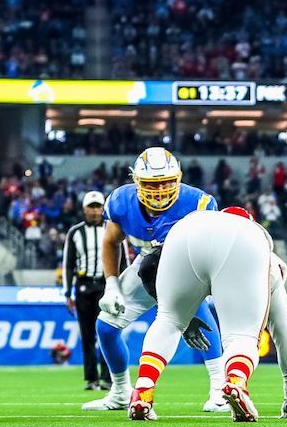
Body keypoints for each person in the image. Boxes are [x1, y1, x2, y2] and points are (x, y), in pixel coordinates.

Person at [82, 148, 229, 413]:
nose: (159, 190)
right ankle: (119, 391)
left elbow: (209, 250)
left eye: (166, 182)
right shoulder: (121, 201)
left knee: (199, 314)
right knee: (105, 327)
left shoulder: (198, 203)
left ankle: (219, 390)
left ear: (178, 179)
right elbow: (111, 241)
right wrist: (112, 284)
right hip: (145, 266)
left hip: (187, 267)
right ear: (137, 182)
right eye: (151, 183)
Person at [128, 206, 287, 421]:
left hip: (184, 231)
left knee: (168, 320)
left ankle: (143, 389)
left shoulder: (202, 221)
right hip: (242, 242)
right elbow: (286, 336)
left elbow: (147, 266)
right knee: (241, 336)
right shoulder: (260, 247)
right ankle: (235, 382)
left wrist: (181, 312)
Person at [63, 190, 114, 391]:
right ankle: (92, 378)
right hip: (83, 287)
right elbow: (68, 264)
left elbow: (123, 261)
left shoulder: (112, 229)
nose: (95, 211)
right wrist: (67, 293)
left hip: (106, 285)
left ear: (103, 208)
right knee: (87, 335)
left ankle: (109, 378)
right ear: (84, 209)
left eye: (98, 206)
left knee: (108, 332)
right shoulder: (75, 232)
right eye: (91, 207)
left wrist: (123, 289)